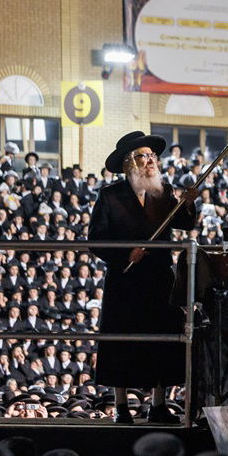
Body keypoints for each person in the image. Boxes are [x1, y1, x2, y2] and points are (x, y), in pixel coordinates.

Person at [89, 131, 196, 425]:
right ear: (129, 163)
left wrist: (188, 203)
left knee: (161, 341)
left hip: (159, 280)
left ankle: (158, 405)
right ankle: (121, 406)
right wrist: (126, 254)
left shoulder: (164, 191)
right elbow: (96, 240)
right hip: (125, 282)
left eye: (153, 156)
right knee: (121, 342)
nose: (150, 161)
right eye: (143, 156)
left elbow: (186, 223)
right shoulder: (109, 196)